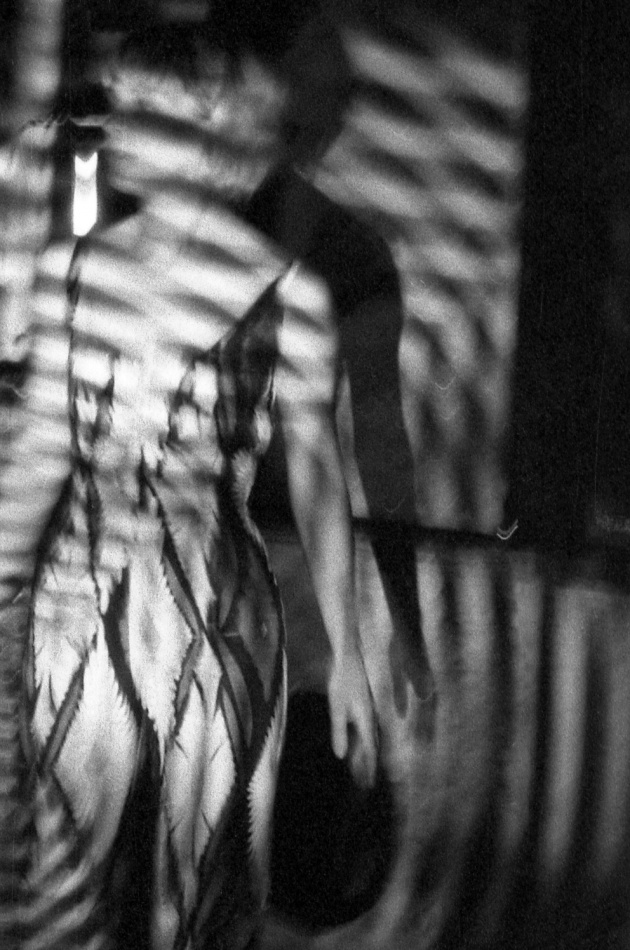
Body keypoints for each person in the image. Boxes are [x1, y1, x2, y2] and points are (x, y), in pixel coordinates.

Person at [18, 13, 377, 950]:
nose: (117, 122)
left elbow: (320, 477)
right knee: (58, 903)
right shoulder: (72, 270)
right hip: (74, 612)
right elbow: (39, 454)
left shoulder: (291, 296)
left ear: (211, 123)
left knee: (206, 907)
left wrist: (347, 657)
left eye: (148, 106)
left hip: (217, 625)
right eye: (119, 102)